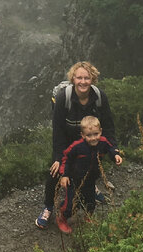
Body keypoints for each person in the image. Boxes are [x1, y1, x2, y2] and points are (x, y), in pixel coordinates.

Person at [35, 61, 119, 229]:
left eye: (87, 78)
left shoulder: (99, 97)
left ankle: (89, 189)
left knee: (90, 168)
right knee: (55, 173)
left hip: (90, 142)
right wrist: (59, 157)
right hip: (66, 141)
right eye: (79, 77)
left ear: (92, 79)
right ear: (73, 78)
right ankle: (48, 207)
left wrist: (113, 148)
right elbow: (57, 130)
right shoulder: (63, 98)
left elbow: (108, 125)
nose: (83, 82)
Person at [56, 115, 122, 233]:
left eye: (96, 134)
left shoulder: (103, 142)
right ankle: (62, 218)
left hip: (90, 179)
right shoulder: (77, 146)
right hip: (73, 179)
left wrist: (116, 155)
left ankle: (88, 216)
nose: (93, 138)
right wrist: (64, 175)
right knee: (71, 204)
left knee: (90, 201)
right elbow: (66, 158)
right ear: (82, 135)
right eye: (89, 135)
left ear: (100, 131)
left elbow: (111, 148)